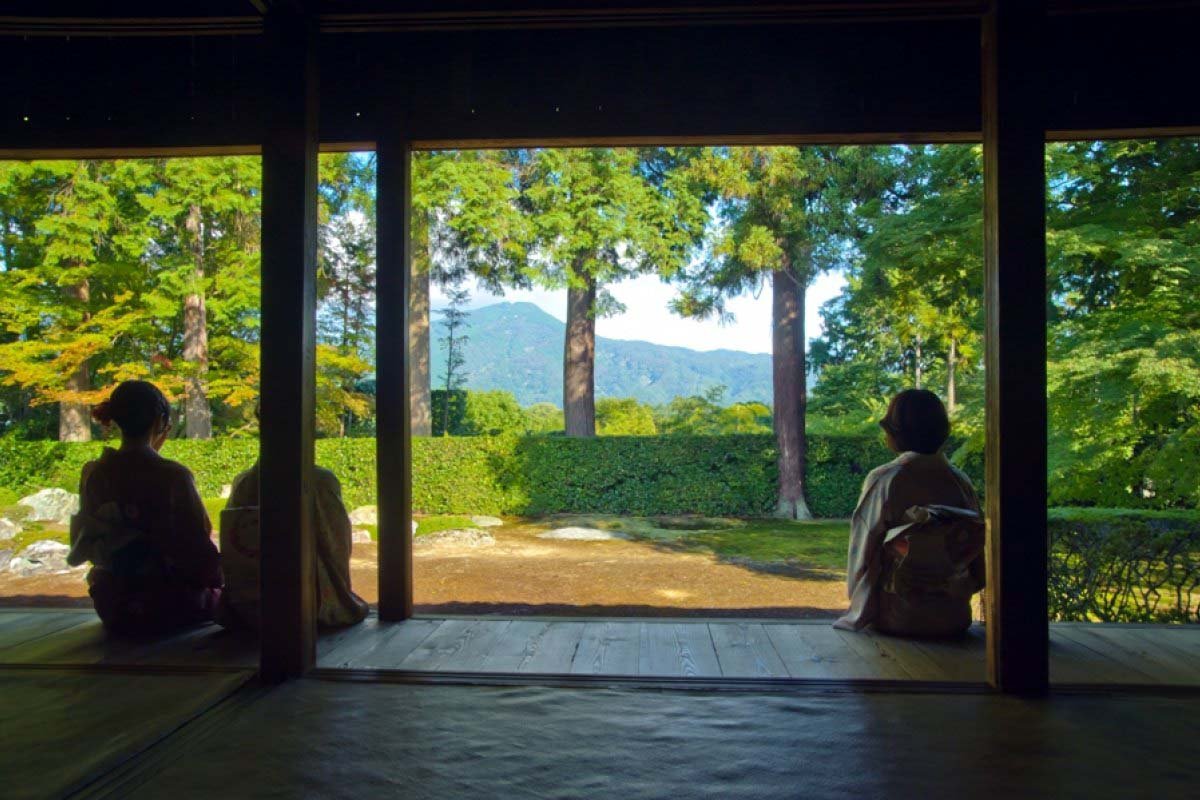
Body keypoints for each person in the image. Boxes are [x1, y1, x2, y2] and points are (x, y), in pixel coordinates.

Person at [68, 381, 222, 636]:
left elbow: (85, 542)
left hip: (113, 604)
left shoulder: (94, 474)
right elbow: (199, 548)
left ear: (115, 418)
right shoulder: (174, 475)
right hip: (169, 604)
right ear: (160, 421)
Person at [833, 389, 984, 636]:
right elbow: (977, 556)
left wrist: (858, 602)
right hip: (954, 615)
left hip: (897, 615)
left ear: (894, 431)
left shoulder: (886, 479)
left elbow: (863, 549)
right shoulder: (960, 481)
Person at [218, 413, 368, 630]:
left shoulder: (244, 482)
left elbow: (235, 546)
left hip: (251, 606)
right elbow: (336, 546)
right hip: (312, 603)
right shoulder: (320, 481)